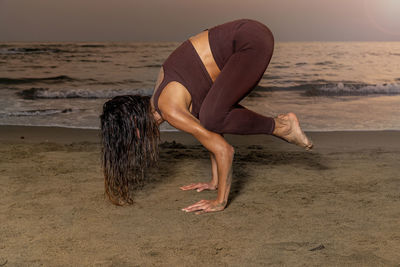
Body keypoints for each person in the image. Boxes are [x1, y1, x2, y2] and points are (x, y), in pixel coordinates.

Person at [100, 18, 313, 214]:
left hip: (250, 41)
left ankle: (282, 126)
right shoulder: (163, 98)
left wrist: (220, 201)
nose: (136, 139)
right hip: (248, 36)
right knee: (209, 115)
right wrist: (214, 181)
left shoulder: (169, 108)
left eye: (130, 135)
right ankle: (281, 126)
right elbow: (209, 129)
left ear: (134, 122)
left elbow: (224, 149)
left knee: (211, 117)